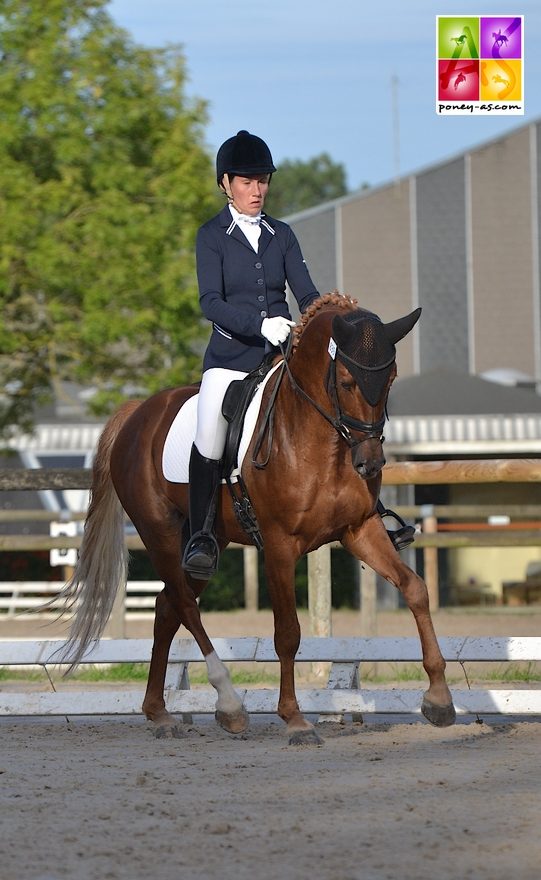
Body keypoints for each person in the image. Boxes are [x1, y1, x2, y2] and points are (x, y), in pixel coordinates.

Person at [182, 130, 320, 579]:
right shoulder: (211, 236)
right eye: (247, 182)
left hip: (281, 358)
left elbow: (307, 295)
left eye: (262, 181)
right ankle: (201, 535)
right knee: (208, 432)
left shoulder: (282, 234)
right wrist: (258, 325)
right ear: (226, 184)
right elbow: (211, 303)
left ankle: (369, 506)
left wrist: (325, 320)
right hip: (230, 359)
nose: (257, 191)